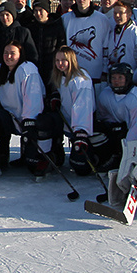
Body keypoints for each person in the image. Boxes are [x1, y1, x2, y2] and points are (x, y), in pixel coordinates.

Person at [0, 42, 48, 177]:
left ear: (20, 55)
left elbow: (33, 96)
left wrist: (29, 119)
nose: (8, 56)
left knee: (32, 164)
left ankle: (41, 157)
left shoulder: (27, 69)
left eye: (13, 53)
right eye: (6, 53)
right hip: (10, 116)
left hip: (30, 118)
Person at [48, 46, 95, 176]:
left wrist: (81, 132)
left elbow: (83, 106)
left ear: (72, 60)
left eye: (64, 60)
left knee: (81, 167)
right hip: (67, 120)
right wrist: (55, 96)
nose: (60, 63)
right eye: (57, 60)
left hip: (81, 126)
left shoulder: (80, 80)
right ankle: (56, 151)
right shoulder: (61, 76)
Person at [95, 62, 137, 171]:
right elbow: (102, 116)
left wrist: (126, 150)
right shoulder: (105, 94)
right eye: (113, 78)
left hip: (132, 134)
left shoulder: (136, 98)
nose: (116, 81)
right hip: (114, 131)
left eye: (120, 77)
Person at [62, 0, 114, 87]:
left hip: (96, 76)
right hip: (72, 75)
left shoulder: (102, 19)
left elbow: (106, 48)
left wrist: (104, 72)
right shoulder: (65, 19)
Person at [0, 1, 38, 75]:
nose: (4, 18)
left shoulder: (23, 32)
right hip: (0, 72)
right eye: (1, 15)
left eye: (7, 15)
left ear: (13, 15)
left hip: (20, 71)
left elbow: (31, 54)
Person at [27, 0, 66, 86]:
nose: (38, 14)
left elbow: (61, 46)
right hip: (35, 68)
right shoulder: (31, 28)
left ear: (47, 11)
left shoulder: (56, 26)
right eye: (35, 11)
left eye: (41, 10)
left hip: (52, 68)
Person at [107, 1, 137, 71]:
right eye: (115, 13)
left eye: (121, 13)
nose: (117, 16)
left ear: (129, 14)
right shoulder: (112, 33)